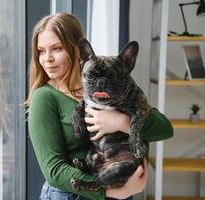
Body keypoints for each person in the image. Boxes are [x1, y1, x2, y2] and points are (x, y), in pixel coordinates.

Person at [25, 13, 173, 200]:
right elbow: (54, 171)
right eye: (40, 50)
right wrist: (111, 192)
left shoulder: (109, 83)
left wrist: (121, 122)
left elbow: (164, 129)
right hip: (73, 195)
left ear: (77, 51)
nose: (47, 59)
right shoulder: (44, 97)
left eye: (56, 48)